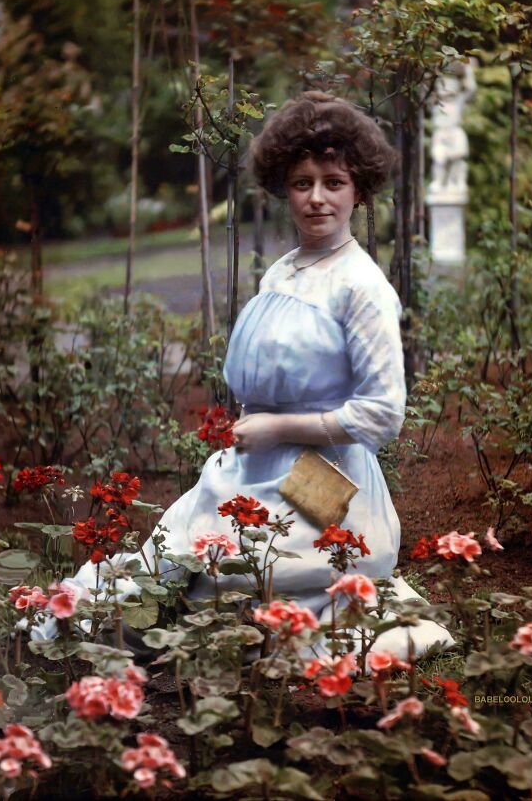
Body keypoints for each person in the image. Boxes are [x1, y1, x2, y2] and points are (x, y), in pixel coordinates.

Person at [32, 91, 454, 658]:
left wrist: (278, 429)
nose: (317, 198)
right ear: (284, 188)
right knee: (172, 567)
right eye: (303, 182)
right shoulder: (283, 271)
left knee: (245, 586)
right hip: (247, 470)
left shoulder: (363, 288)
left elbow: (382, 414)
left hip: (321, 488)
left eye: (334, 182)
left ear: (360, 189)